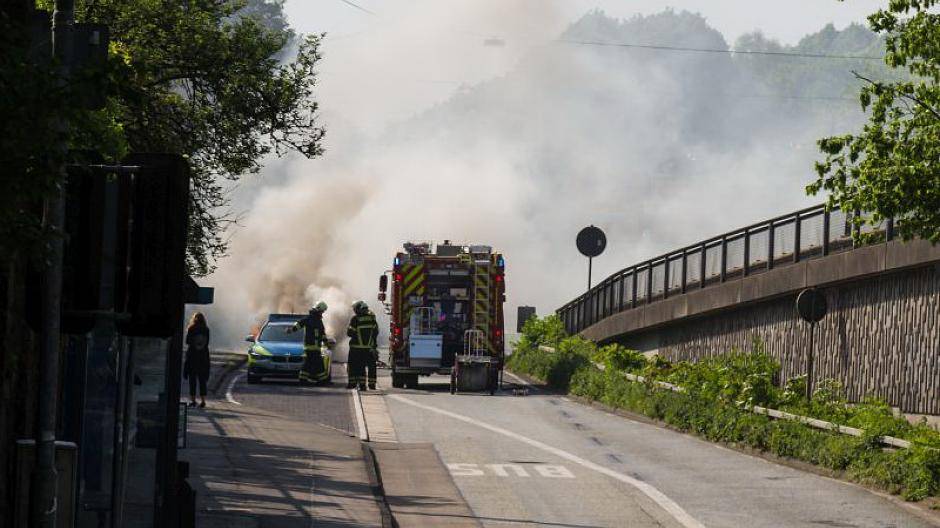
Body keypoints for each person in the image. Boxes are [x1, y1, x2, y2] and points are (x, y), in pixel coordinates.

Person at [288, 302, 330, 385]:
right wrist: (291, 329)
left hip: (316, 347)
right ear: (318, 309)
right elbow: (299, 324)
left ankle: (305, 379)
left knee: (310, 363)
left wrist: (326, 342)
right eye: (322, 311)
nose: (322, 313)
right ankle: (321, 380)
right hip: (310, 347)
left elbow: (322, 334)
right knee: (317, 364)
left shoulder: (319, 321)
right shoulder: (309, 319)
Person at [347, 301, 379, 390]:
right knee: (371, 366)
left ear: (358, 309)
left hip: (356, 348)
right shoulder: (372, 318)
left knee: (354, 366)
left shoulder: (355, 319)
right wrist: (373, 346)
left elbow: (349, 333)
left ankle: (354, 384)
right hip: (369, 348)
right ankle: (371, 385)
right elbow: (375, 332)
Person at [183, 312, 211, 408]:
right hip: (203, 357)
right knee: (202, 380)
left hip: (193, 357)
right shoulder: (206, 329)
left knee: (192, 380)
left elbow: (187, 341)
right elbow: (207, 343)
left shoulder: (191, 329)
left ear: (194, 319)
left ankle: (193, 400)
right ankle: (203, 401)